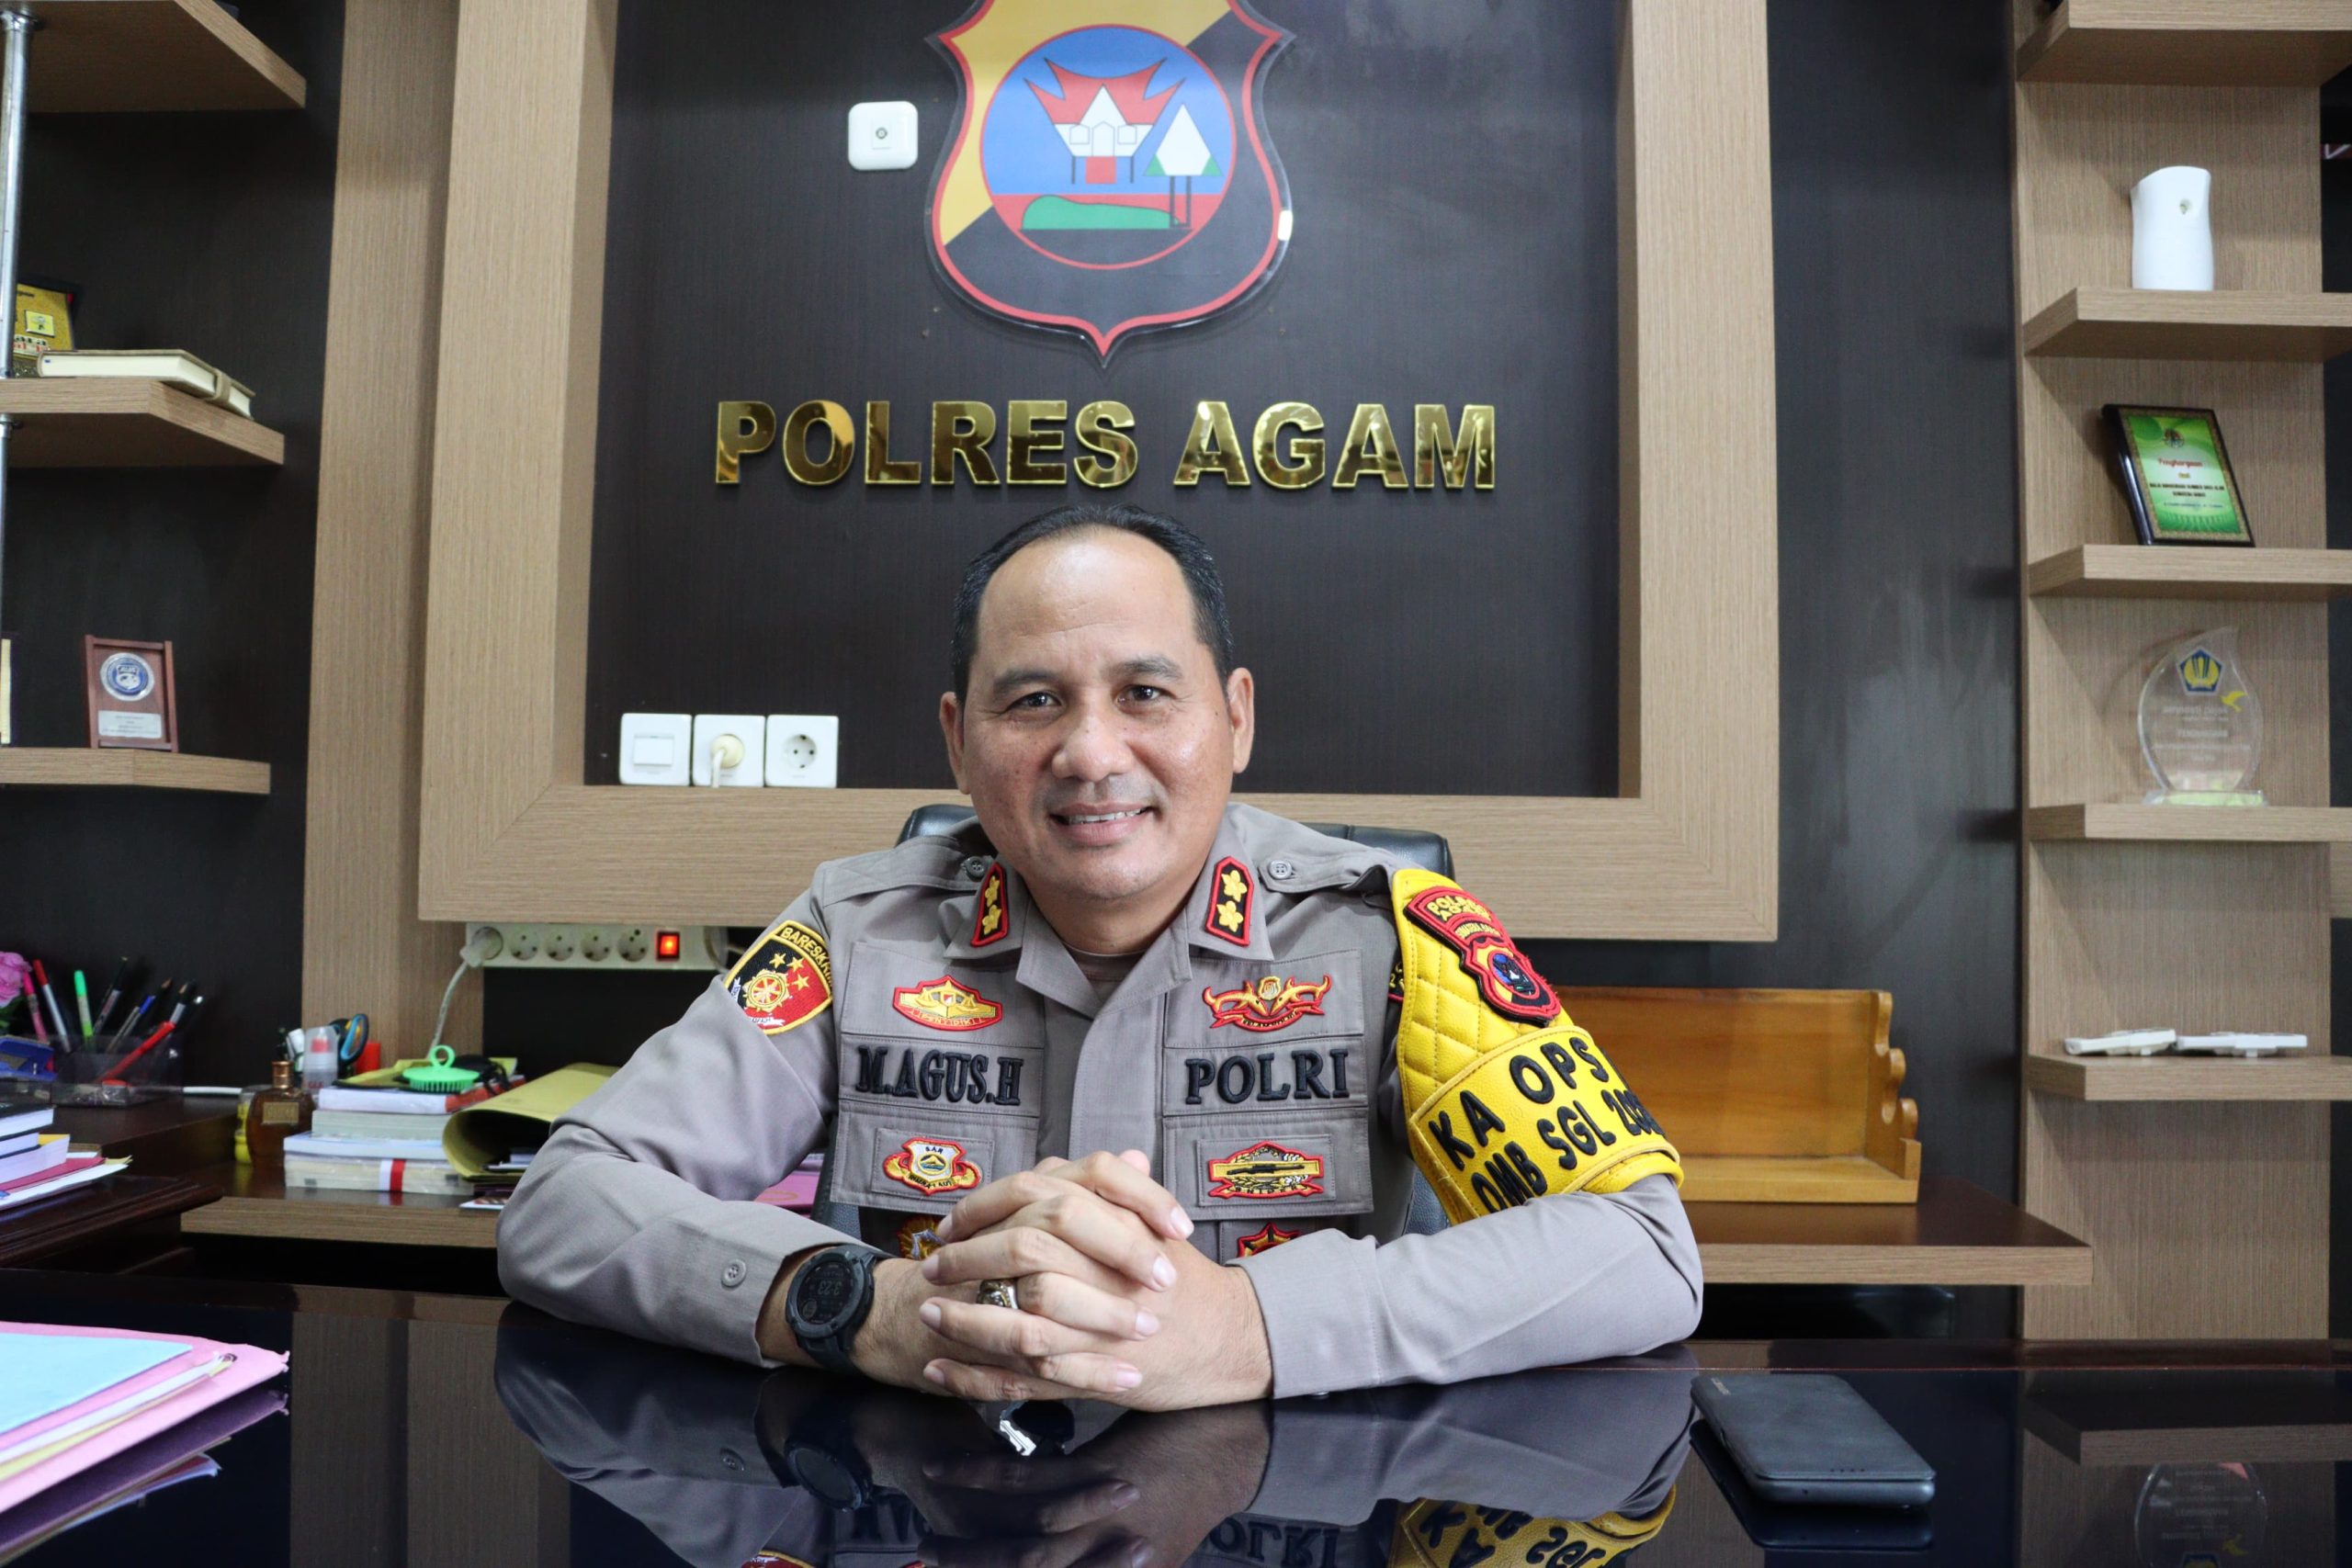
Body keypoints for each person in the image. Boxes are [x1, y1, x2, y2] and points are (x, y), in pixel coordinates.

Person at [499, 502, 1702, 1407]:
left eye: (1144, 693)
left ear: (1235, 717)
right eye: (1032, 701)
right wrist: (862, 1306)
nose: (1090, 753)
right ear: (957, 743)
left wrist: (1252, 1328)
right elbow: (562, 1203)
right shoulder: (854, 931)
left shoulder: (1394, 935)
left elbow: (1643, 1249)